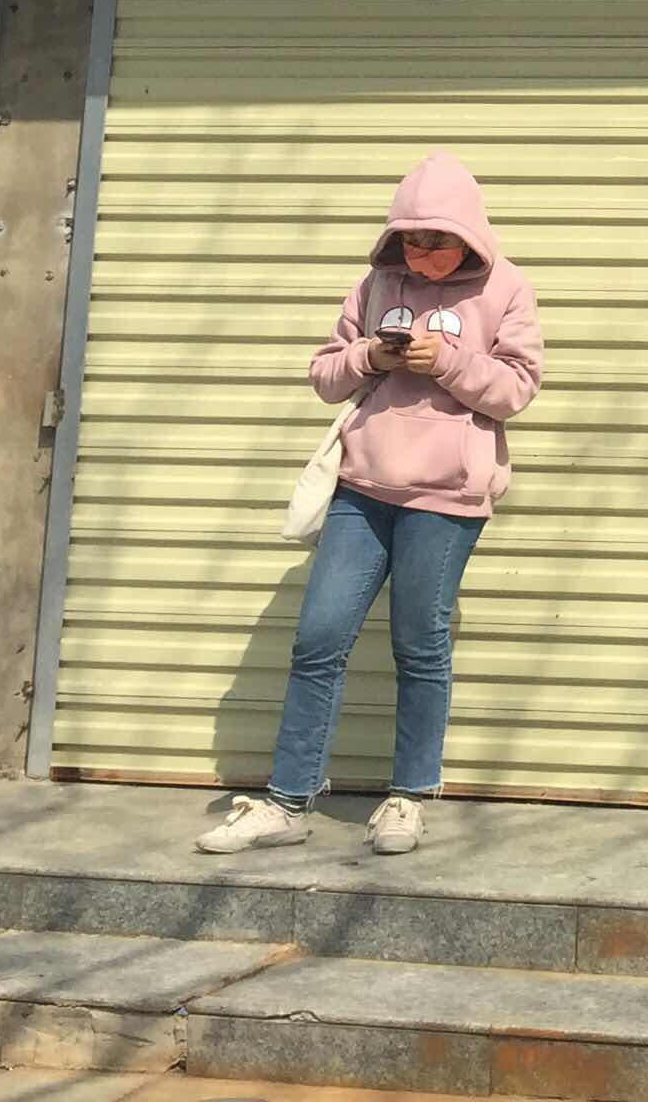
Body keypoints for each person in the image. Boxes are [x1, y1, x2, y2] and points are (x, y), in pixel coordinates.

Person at [197, 152, 541, 858]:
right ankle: (287, 802)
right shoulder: (376, 283)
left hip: (447, 497)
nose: (423, 253)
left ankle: (408, 798)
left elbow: (517, 389)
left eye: (438, 240)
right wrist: (370, 358)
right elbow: (325, 375)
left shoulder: (506, 288)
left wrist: (446, 362)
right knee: (318, 639)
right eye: (411, 239)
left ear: (468, 236)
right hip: (362, 488)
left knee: (420, 643)